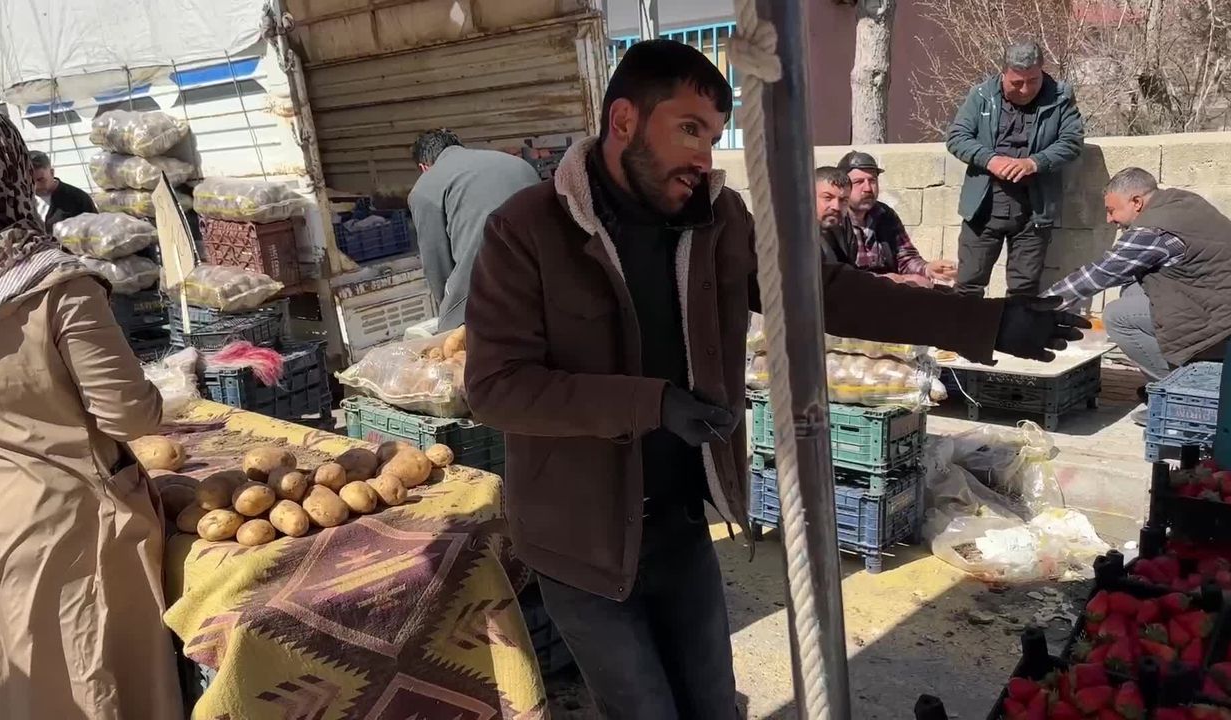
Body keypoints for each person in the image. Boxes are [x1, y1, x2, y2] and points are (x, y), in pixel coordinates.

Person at [464, 39, 1085, 720]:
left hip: (680, 523)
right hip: (576, 539)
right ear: (624, 121)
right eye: (689, 129)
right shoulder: (526, 230)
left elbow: (823, 291)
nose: (705, 157)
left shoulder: (717, 219)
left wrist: (984, 322)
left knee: (712, 704)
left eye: (713, 136)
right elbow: (496, 388)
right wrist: (652, 403)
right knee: (642, 709)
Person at [0, 102, 183, 718]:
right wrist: (161, 393)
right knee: (87, 687)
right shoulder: (53, 284)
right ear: (6, 171)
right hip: (66, 531)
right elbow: (129, 416)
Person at [1044, 167, 1231, 422]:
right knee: (1132, 291)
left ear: (1136, 202)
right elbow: (1124, 271)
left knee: (1117, 316)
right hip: (1215, 297)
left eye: (1111, 210)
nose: (1109, 219)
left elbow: (1100, 273)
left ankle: (1184, 397)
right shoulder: (1181, 201)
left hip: (1220, 321)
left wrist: (1039, 306)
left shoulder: (1152, 230)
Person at [945, 40, 1085, 297]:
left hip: (1034, 209)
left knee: (1024, 290)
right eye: (1017, 83)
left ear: (1042, 70)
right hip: (984, 206)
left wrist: (1034, 163)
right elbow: (957, 137)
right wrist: (990, 160)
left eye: (1033, 81)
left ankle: (1017, 325)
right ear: (1003, 74)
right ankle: (966, 325)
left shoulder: (1061, 96)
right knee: (968, 284)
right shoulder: (981, 95)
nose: (1025, 89)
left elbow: (1072, 142)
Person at [407, 129, 540, 332]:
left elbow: (436, 264)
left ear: (423, 167)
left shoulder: (425, 187)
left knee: (453, 339)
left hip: (489, 292)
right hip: (546, 278)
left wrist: (449, 313)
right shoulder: (516, 164)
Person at [838, 150, 957, 288]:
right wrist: (882, 279)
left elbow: (905, 259)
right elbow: (836, 273)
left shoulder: (884, 215)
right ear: (843, 187)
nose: (868, 188)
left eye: (872, 180)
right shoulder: (836, 220)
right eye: (858, 182)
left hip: (889, 289)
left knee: (938, 290)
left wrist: (927, 269)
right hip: (853, 290)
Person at [30, 150, 98, 232]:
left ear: (52, 173)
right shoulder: (22, 201)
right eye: (30, 181)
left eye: (40, 180)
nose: (35, 186)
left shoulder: (78, 199)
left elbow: (95, 230)